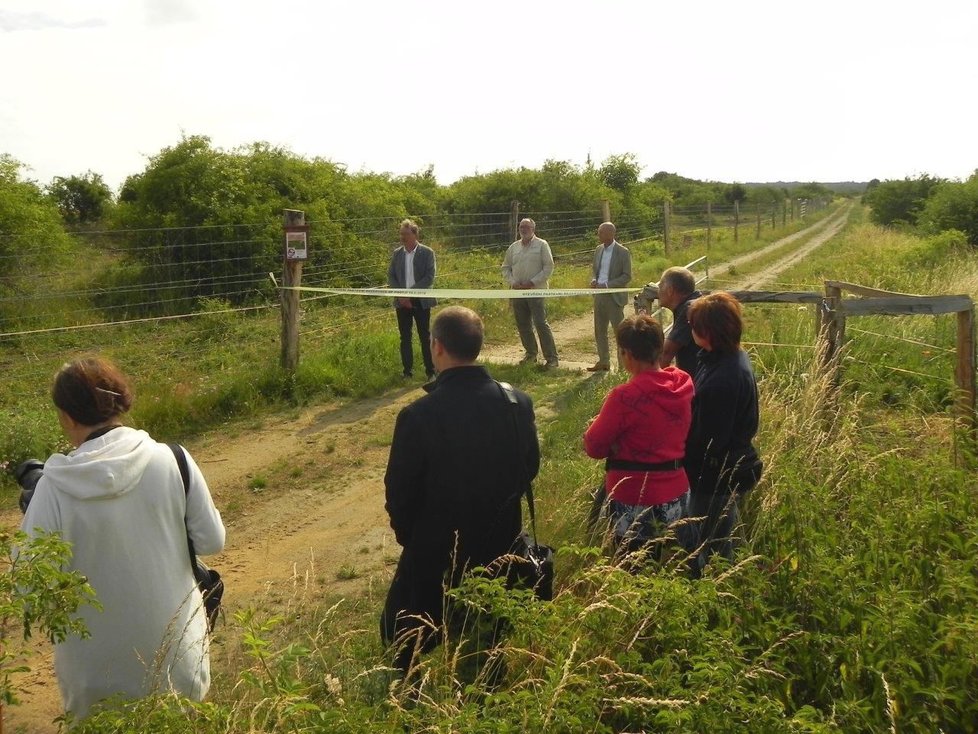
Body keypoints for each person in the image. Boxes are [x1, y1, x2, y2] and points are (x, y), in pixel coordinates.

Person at [19, 356, 225, 720]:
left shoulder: (52, 488)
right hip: (178, 665)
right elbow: (211, 541)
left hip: (94, 684)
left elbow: (29, 588)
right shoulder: (173, 459)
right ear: (119, 400)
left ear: (66, 416)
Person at [381, 306, 539, 675]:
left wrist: (413, 539)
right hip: (502, 547)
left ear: (436, 347)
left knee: (401, 637)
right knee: (486, 643)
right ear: (478, 347)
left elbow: (399, 493)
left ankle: (408, 705)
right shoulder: (517, 402)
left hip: (435, 552)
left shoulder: (418, 415)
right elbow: (528, 468)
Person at [583, 315, 694, 562]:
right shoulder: (682, 383)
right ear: (659, 347)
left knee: (632, 570)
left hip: (635, 497)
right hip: (677, 492)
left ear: (627, 354)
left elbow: (593, 446)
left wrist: (610, 439)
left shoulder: (624, 396)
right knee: (673, 566)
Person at [685, 292, 762, 570]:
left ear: (707, 331)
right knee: (723, 531)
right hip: (728, 464)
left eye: (694, 325)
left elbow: (708, 441)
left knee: (709, 543)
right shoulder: (725, 357)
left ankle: (718, 591)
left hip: (716, 473)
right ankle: (738, 576)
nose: (690, 330)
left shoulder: (724, 380)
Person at [500, 218, 559, 368]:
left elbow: (548, 267)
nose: (524, 229)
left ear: (533, 229)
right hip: (518, 292)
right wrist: (513, 282)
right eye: (521, 226)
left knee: (540, 323)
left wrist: (532, 282)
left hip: (536, 291)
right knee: (523, 324)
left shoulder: (542, 245)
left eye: (527, 226)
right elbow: (505, 267)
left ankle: (551, 358)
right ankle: (531, 354)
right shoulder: (514, 247)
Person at [387, 218, 436, 379]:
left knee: (424, 336)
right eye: (401, 234)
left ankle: (431, 371)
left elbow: (429, 278)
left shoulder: (427, 253)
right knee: (405, 336)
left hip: (420, 300)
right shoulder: (397, 254)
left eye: (406, 234)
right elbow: (391, 276)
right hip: (401, 301)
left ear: (415, 234)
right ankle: (407, 372)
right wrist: (401, 295)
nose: (402, 237)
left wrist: (410, 294)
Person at [589, 222, 632, 371]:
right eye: (599, 232)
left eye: (601, 232)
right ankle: (604, 361)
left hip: (614, 296)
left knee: (618, 331)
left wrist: (608, 285)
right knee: (599, 330)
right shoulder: (598, 250)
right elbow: (595, 270)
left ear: (611, 233)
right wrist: (594, 280)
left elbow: (627, 276)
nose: (598, 235)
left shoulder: (623, 252)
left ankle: (622, 366)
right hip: (599, 295)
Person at [656, 266, 702, 375]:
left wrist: (649, 384)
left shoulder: (689, 309)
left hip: (700, 383)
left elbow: (666, 353)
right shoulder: (696, 303)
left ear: (670, 290)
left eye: (660, 286)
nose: (658, 291)